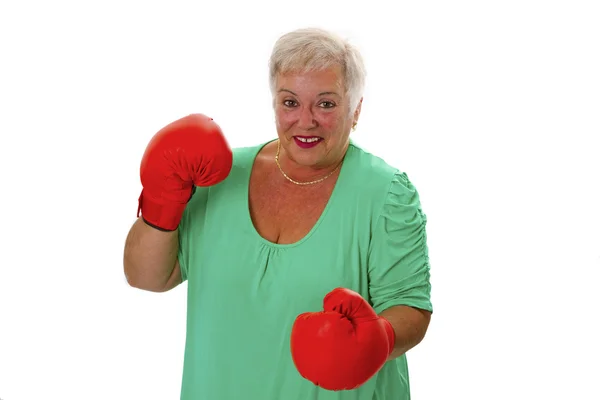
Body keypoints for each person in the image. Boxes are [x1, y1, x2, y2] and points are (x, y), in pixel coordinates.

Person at [123, 27, 433, 400]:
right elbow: (146, 277)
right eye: (290, 102)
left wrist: (377, 340)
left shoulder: (385, 193)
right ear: (274, 103)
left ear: (356, 109)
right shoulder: (219, 176)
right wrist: (162, 198)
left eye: (326, 104)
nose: (306, 120)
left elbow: (411, 307)